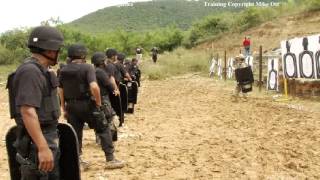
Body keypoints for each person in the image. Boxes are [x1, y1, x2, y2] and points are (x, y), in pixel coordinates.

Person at [58, 44, 125, 169]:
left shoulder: (64, 70)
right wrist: (98, 103)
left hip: (71, 106)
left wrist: (63, 108)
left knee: (76, 134)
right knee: (103, 128)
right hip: (88, 104)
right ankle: (110, 159)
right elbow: (94, 87)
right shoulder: (87, 67)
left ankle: (78, 162)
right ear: (83, 55)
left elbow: (60, 90)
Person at [11, 26, 64, 179]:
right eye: (58, 49)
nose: (59, 53)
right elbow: (27, 110)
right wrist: (42, 147)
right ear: (50, 51)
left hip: (45, 136)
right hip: (36, 142)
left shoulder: (42, 70)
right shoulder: (30, 72)